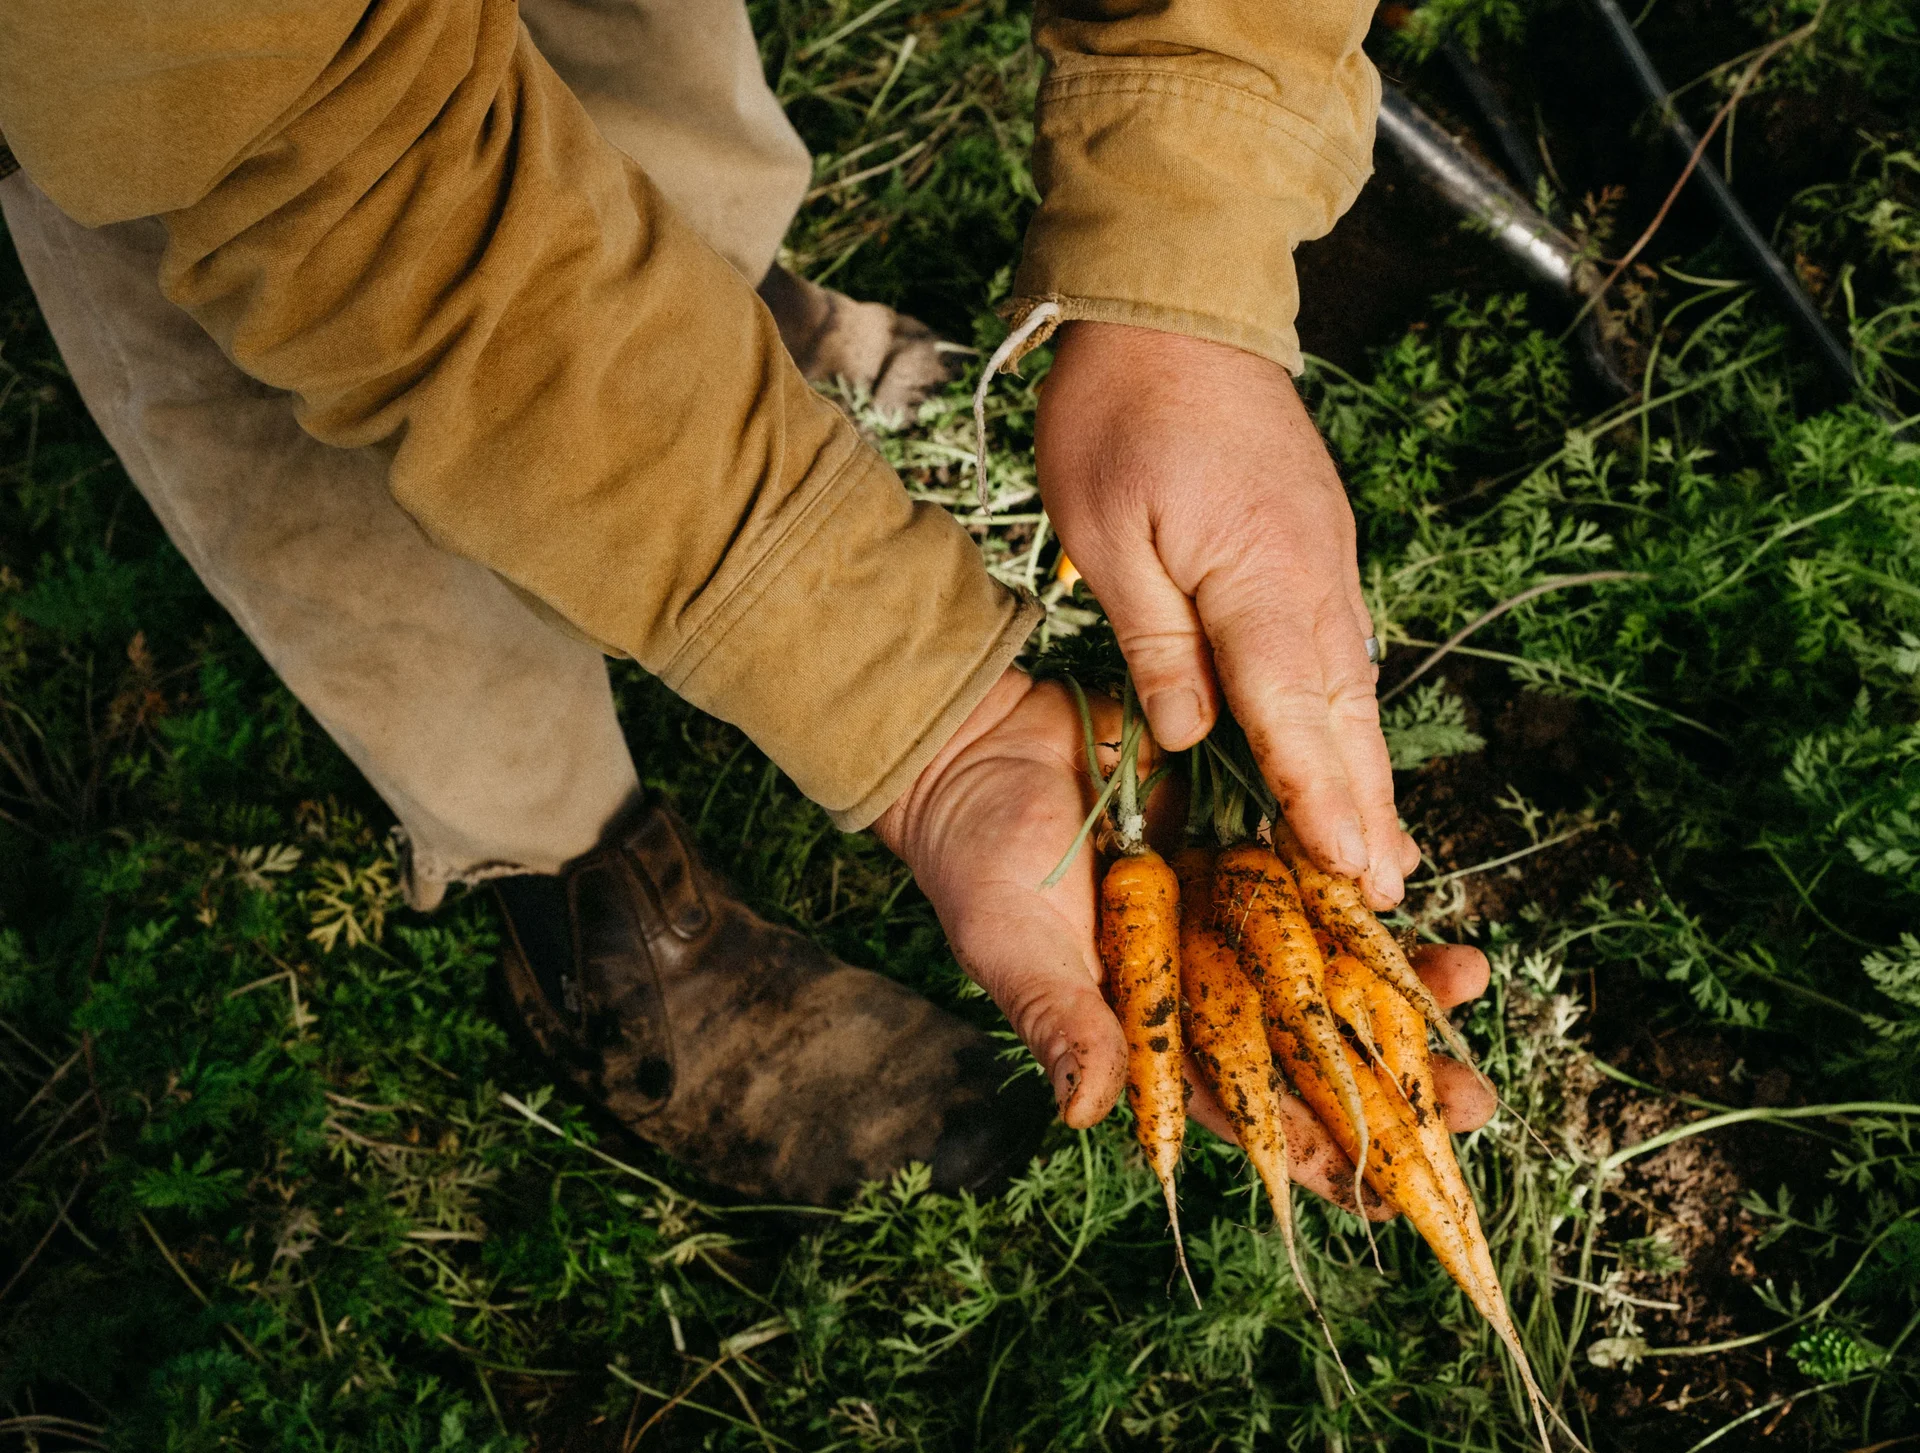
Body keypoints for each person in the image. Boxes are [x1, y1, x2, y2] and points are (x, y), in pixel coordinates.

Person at [0, 0, 1492, 1209]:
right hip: (230, 83)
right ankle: (557, 852)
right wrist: (923, 723)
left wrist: (1186, 255)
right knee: (274, 331)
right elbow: (344, 177)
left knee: (632, 46)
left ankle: (710, 305)